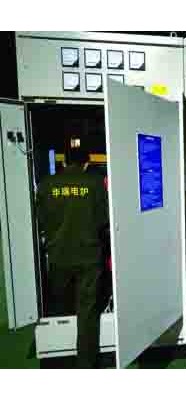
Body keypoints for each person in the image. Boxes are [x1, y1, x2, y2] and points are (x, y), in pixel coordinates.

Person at [36, 145, 108, 367]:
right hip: (89, 257)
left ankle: (58, 358)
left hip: (58, 256)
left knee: (60, 306)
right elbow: (104, 219)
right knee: (87, 312)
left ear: (64, 162)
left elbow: (41, 219)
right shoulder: (95, 183)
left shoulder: (46, 184)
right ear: (86, 163)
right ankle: (86, 363)